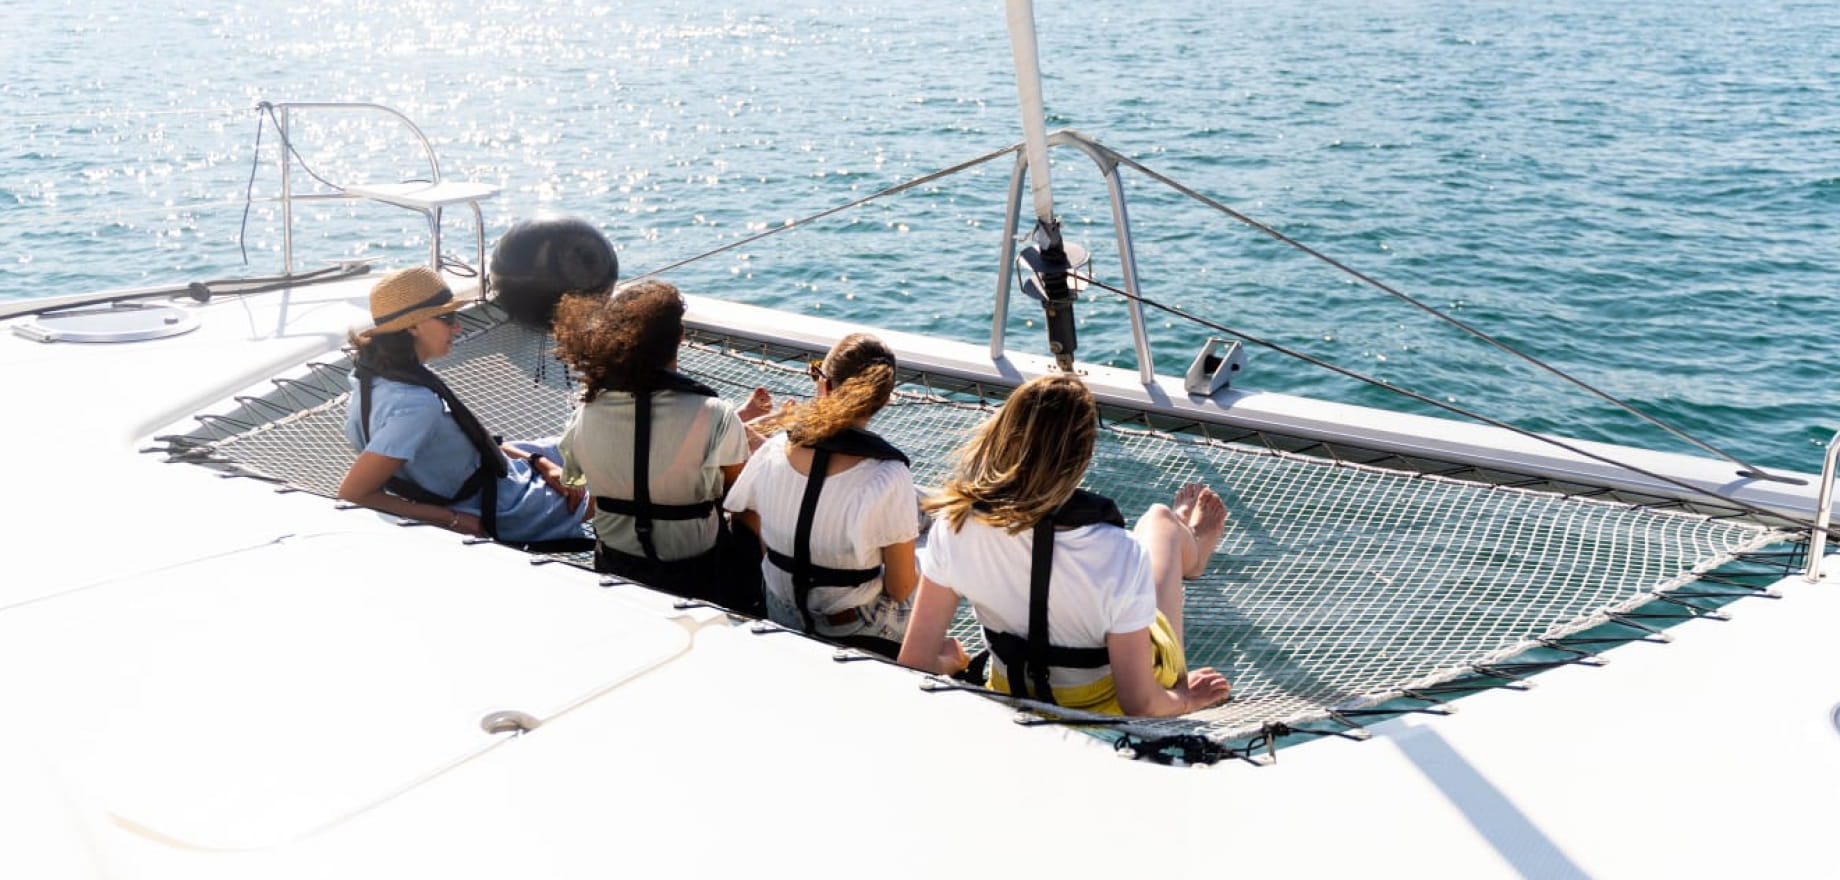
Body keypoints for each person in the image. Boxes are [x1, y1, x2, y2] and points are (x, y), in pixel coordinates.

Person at [897, 373, 1233, 717]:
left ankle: (1187, 538)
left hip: (1012, 693)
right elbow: (1140, 703)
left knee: (1156, 533)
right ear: (1084, 456)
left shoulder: (955, 525)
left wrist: (952, 663)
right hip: (1104, 710)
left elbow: (914, 662)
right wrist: (1188, 698)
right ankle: (1191, 544)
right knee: (1159, 521)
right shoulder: (1119, 551)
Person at [338, 266, 590, 545]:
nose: (457, 326)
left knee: (585, 444)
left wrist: (540, 463)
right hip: (503, 504)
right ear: (412, 326)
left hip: (494, 470)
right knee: (621, 490)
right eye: (447, 317)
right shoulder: (416, 406)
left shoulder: (368, 378)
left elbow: (471, 443)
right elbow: (354, 493)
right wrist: (451, 520)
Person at [552, 279, 755, 605]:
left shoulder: (586, 412)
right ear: (680, 338)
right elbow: (741, 497)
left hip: (616, 564)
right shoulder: (715, 413)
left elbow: (575, 479)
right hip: (697, 571)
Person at [726, 334, 919, 658]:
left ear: (825, 386)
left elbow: (744, 513)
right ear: (884, 399)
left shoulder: (775, 450)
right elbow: (899, 589)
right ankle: (937, 657)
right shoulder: (888, 475)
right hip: (852, 628)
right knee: (929, 557)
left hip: (780, 610)